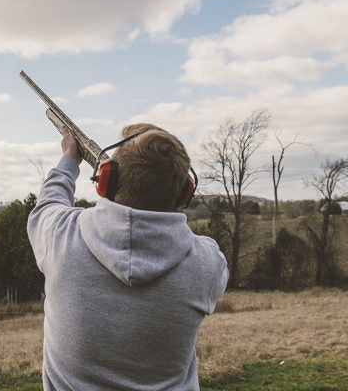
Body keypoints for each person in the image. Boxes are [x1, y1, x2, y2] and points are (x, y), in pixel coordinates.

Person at [27, 123, 229, 390]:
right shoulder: (207, 263)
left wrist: (69, 159)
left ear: (106, 180)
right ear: (185, 193)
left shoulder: (61, 236)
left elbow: (49, 203)